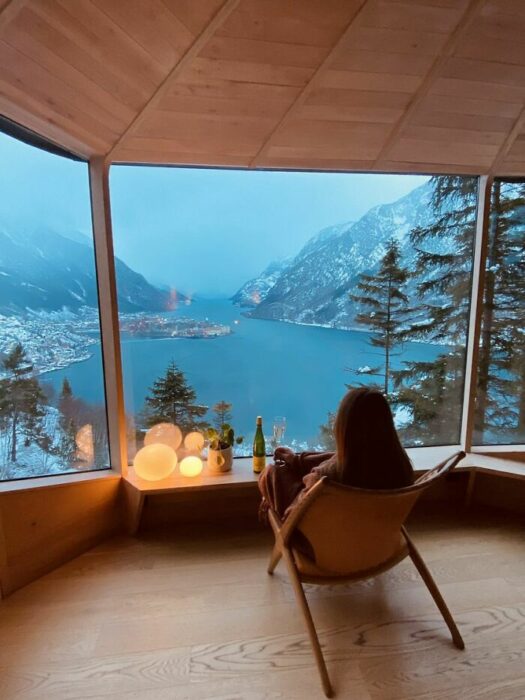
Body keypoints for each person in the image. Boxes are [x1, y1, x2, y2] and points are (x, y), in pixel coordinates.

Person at [258, 387, 414, 522]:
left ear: (346, 428)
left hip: (327, 544)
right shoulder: (400, 466)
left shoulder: (326, 480)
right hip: (381, 542)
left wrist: (272, 491)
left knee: (272, 472)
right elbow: (338, 458)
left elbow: (292, 516)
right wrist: (297, 461)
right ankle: (296, 461)